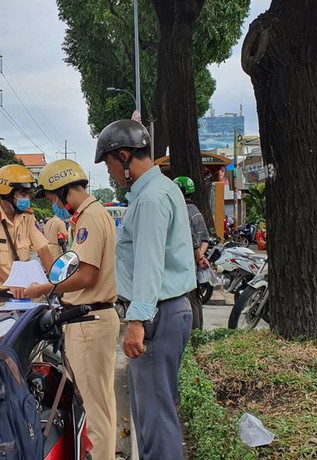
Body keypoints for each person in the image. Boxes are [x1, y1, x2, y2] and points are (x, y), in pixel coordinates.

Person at [95, 119, 195, 460]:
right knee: (150, 411)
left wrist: (137, 321)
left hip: (157, 315)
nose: (109, 172)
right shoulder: (156, 191)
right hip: (163, 311)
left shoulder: (151, 199)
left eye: (109, 164)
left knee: (155, 419)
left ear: (124, 157)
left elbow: (150, 264)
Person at [24, 159, 120, 460]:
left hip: (90, 321)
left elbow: (87, 275)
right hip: (91, 318)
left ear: (64, 190)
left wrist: (46, 289)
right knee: (99, 402)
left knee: (94, 405)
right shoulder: (89, 215)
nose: (54, 205)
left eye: (53, 198)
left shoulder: (90, 218)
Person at [0, 164, 53, 299]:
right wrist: (12, 283)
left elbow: (43, 249)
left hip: (26, 295)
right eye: (22, 194)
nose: (27, 199)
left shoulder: (27, 217)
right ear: (7, 193)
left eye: (27, 194)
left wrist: (55, 282)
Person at [173, 176, 210, 330]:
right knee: (195, 301)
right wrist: (200, 257)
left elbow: (192, 239)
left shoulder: (181, 211)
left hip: (183, 266)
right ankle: (197, 333)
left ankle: (192, 335)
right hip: (193, 266)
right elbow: (205, 239)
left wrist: (197, 256)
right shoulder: (196, 211)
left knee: (187, 302)